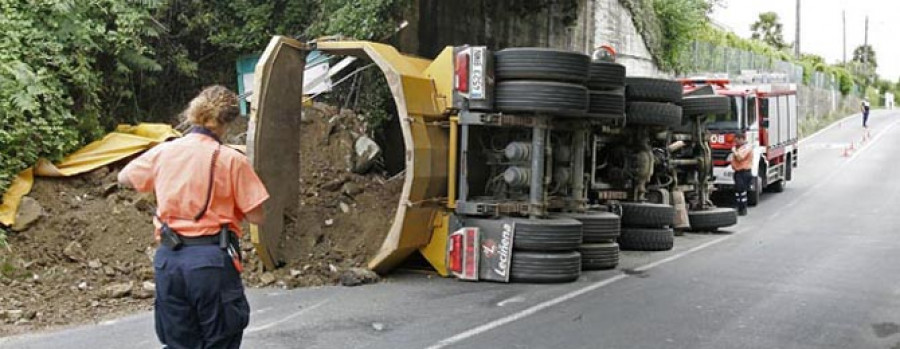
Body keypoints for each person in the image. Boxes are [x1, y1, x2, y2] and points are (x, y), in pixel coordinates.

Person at [118, 85, 269, 348]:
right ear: (226, 123)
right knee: (220, 340)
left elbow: (124, 177)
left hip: (169, 261)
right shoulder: (231, 159)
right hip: (211, 261)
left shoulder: (164, 152)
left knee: (179, 343)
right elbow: (257, 216)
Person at [730, 133, 753, 216]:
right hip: (738, 172)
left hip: (744, 172)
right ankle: (739, 207)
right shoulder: (739, 147)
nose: (736, 142)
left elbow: (740, 157)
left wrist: (734, 151)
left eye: (737, 140)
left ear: (742, 139)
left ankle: (743, 209)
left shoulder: (746, 147)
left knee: (742, 191)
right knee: (738, 191)